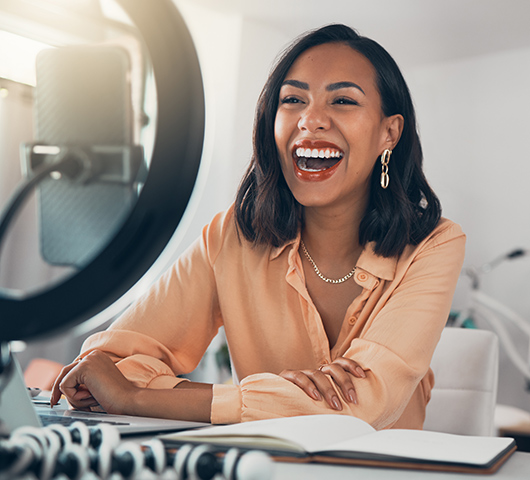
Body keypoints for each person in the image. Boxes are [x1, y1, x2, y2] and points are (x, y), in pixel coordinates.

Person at [51, 24, 465, 430]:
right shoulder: (231, 236)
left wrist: (138, 398)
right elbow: (106, 367)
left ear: (389, 132)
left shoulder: (435, 245)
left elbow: (366, 405)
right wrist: (125, 385)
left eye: (342, 101)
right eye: (292, 100)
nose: (311, 119)